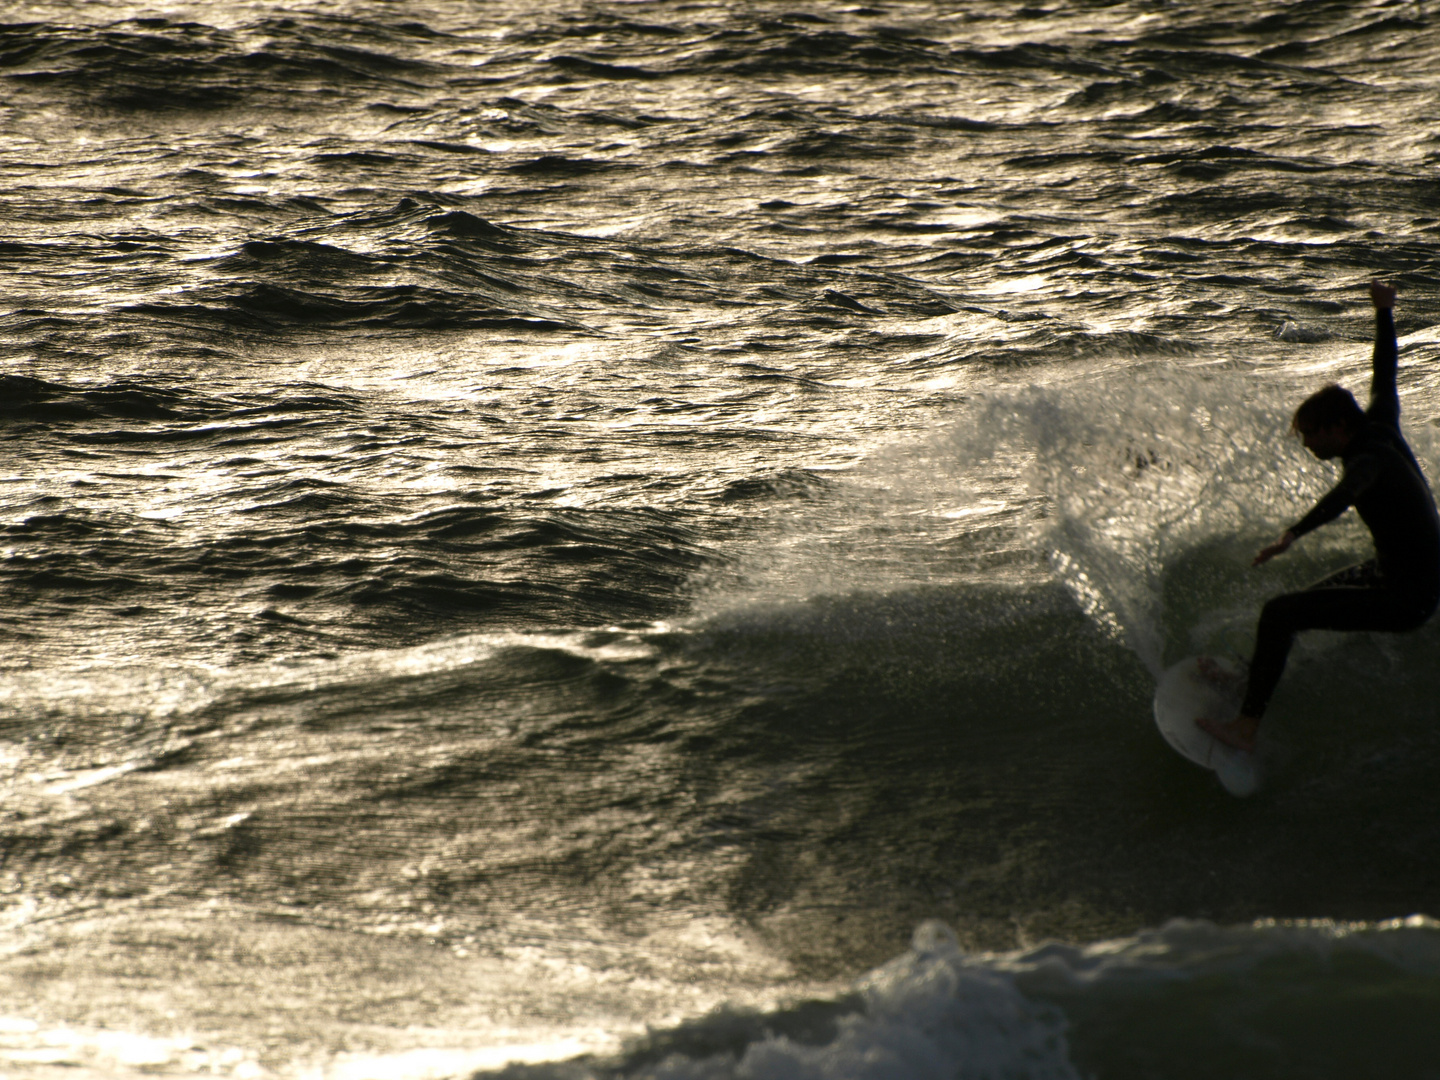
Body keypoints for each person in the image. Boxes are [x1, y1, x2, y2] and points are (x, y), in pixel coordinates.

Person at [1198, 280, 1440, 752]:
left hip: (1405, 597)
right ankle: (1249, 680)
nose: (1308, 445)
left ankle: (1245, 728)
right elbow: (1385, 370)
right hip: (1412, 575)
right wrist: (1384, 310)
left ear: (1338, 428)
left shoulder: (1367, 462)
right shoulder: (1380, 423)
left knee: (1279, 613)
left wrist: (1292, 534)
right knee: (1299, 606)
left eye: (1312, 435)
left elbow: (1345, 495)